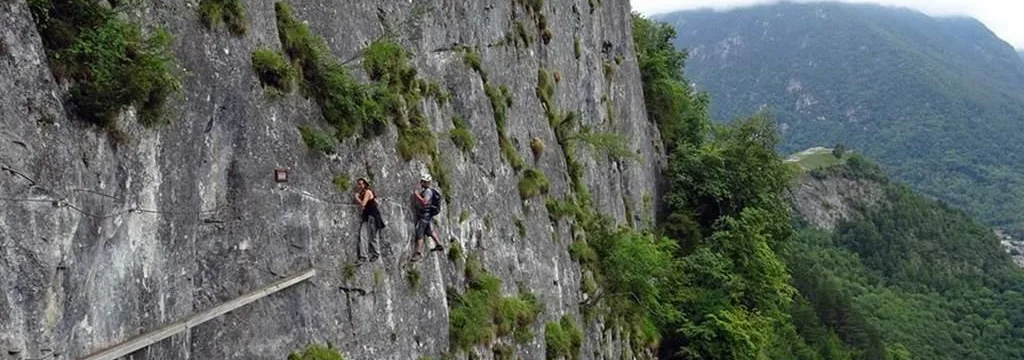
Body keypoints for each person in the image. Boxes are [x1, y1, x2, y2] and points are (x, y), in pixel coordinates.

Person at [411, 174, 443, 261]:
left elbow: (425, 202)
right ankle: (439, 244)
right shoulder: (427, 190)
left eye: (423, 181)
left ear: (425, 182)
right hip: (426, 215)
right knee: (429, 230)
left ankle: (419, 253)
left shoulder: (428, 191)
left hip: (424, 215)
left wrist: (417, 195)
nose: (421, 182)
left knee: (419, 232)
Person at [355, 178, 385, 263]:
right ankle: (366, 255)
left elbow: (363, 204)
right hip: (368, 217)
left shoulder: (368, 192)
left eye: (361, 184)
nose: (360, 186)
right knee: (365, 235)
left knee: (371, 236)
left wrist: (357, 197)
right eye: (359, 184)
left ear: (365, 184)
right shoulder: (364, 193)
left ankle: (373, 254)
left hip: (372, 217)